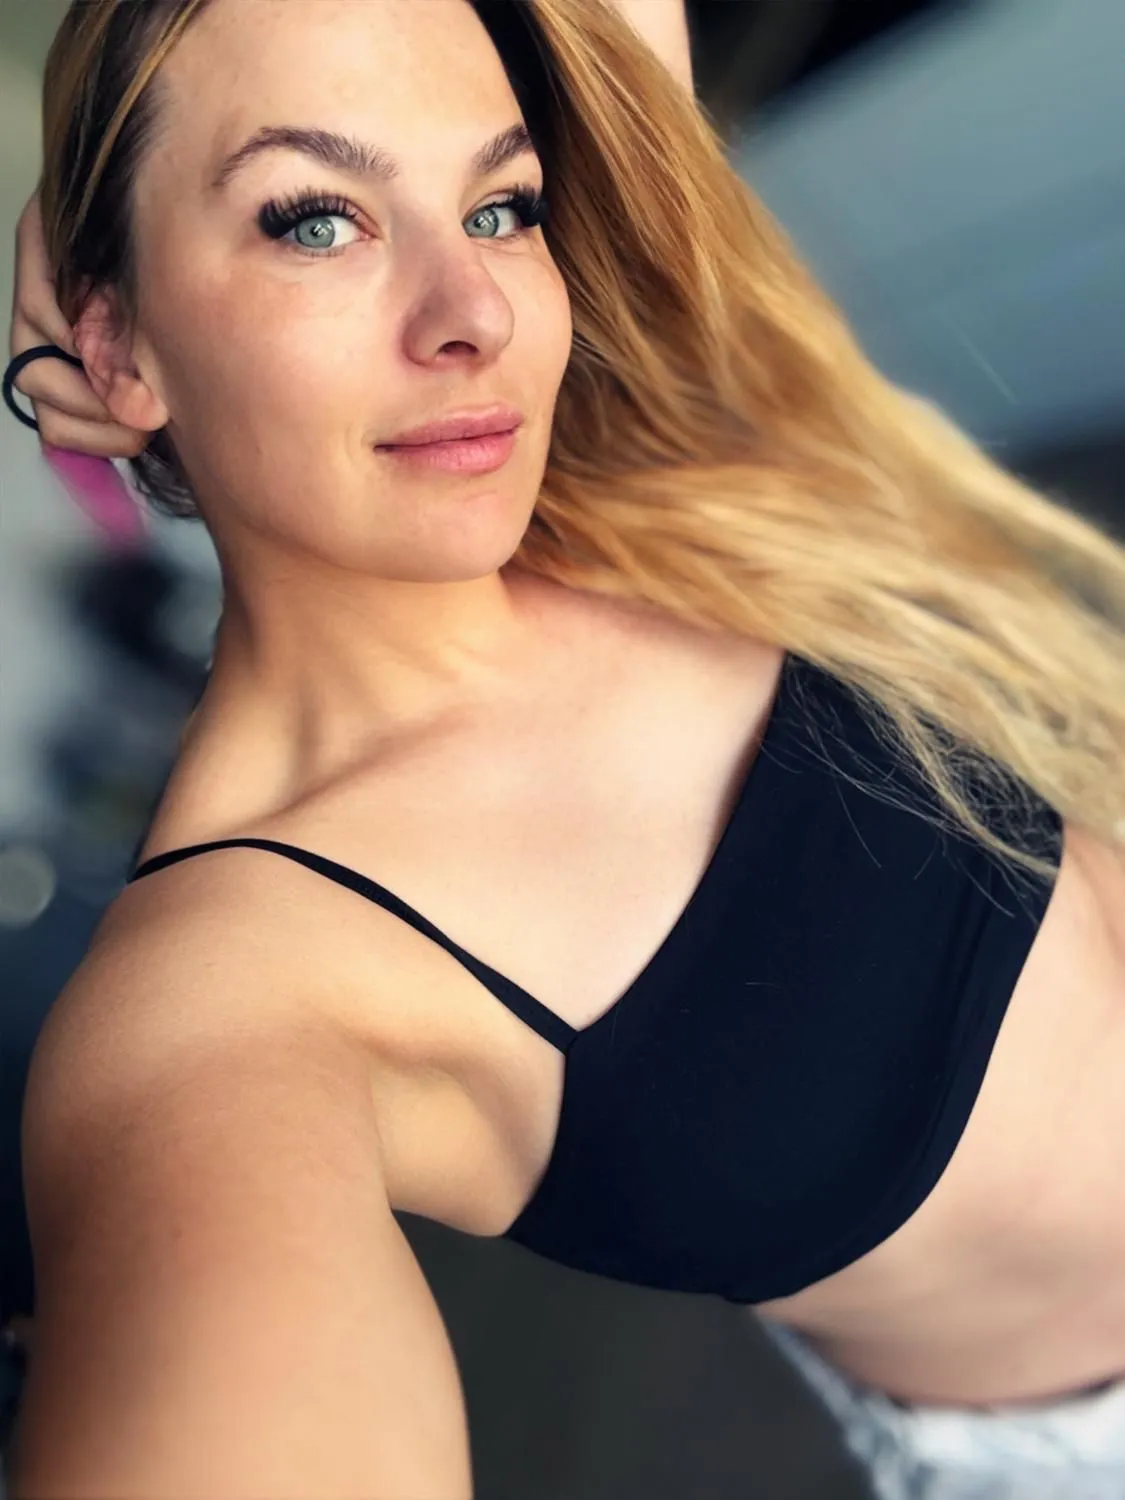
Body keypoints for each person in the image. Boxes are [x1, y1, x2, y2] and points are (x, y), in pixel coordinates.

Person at [5, 1, 1125, 1496]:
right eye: (314, 219)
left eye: (502, 205)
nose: (472, 311)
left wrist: (73, 269)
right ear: (110, 337)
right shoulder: (233, 994)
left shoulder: (617, 454)